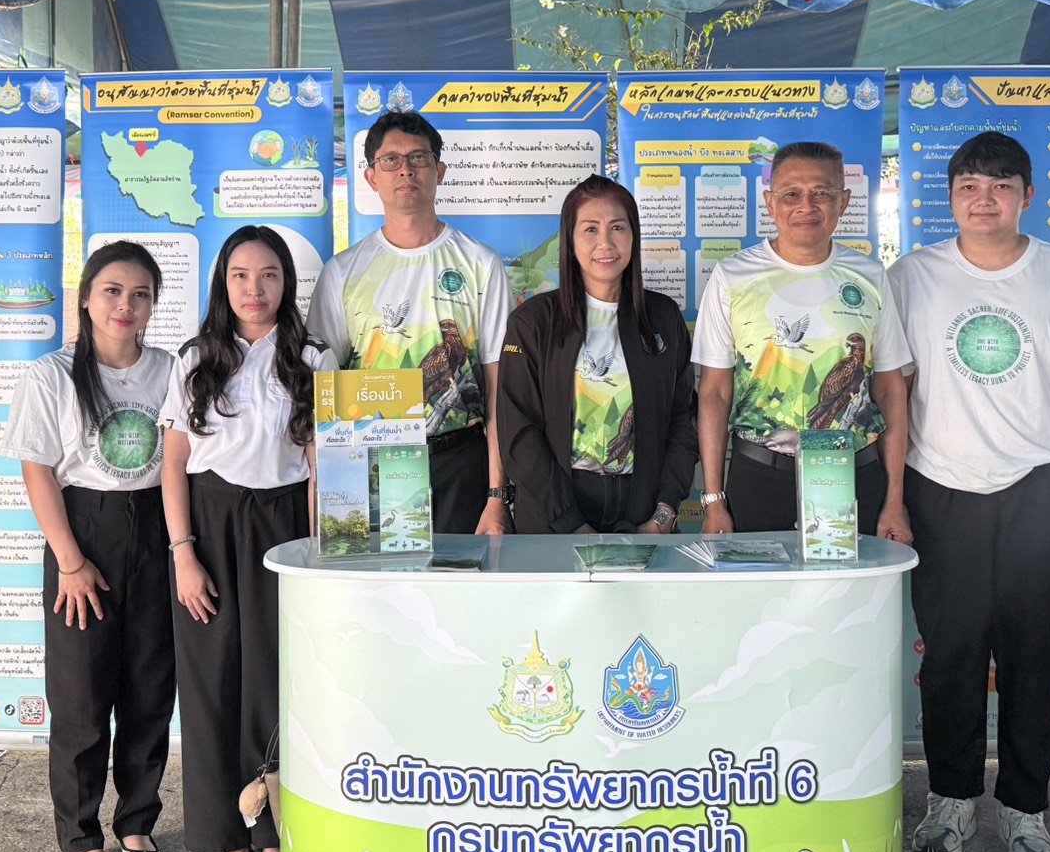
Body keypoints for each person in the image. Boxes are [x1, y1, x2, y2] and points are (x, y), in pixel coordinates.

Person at [887, 132, 1050, 852]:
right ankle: (950, 800)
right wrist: (893, 497)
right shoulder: (911, 276)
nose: (982, 199)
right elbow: (893, 395)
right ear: (949, 197)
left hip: (1042, 489)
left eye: (999, 186)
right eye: (968, 186)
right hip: (940, 488)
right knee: (949, 658)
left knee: (1033, 657)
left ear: (1028, 195)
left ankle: (1025, 807)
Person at [161, 226, 336, 852]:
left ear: (287, 283)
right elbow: (173, 463)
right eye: (240, 275)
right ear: (222, 282)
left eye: (268, 275)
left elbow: (320, 465)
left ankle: (271, 833)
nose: (253, 289)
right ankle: (224, 838)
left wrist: (319, 553)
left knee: (273, 676)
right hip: (207, 526)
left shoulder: (313, 358)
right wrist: (183, 554)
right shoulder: (195, 358)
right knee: (210, 681)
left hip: (285, 524)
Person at [2, 241, 174, 852]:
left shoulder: (170, 370)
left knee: (150, 689)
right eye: (112, 291)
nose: (126, 305)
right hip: (83, 532)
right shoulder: (50, 374)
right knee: (81, 697)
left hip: (156, 528)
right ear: (86, 298)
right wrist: (71, 562)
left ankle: (137, 828)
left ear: (153, 305)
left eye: (140, 295)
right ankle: (79, 839)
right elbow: (38, 471)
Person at [306, 110, 513, 535]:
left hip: (462, 463)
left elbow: (498, 388)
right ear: (370, 177)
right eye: (391, 160)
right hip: (371, 462)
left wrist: (497, 495)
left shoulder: (480, 264)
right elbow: (324, 389)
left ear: (440, 171)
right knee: (379, 579)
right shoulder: (343, 272)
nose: (406, 170)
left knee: (463, 575)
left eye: (419, 158)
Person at [691, 141, 912, 540]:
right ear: (770, 203)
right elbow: (715, 393)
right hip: (760, 478)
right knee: (760, 580)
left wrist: (895, 499)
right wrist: (714, 500)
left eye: (821, 193)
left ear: (844, 202)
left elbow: (890, 389)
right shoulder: (733, 278)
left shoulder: (870, 277)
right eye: (791, 194)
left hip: (852, 476)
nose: (806, 206)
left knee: (850, 582)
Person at [497, 175, 697, 533]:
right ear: (570, 241)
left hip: (644, 512)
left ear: (633, 236)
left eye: (617, 227)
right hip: (554, 518)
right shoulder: (533, 322)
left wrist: (663, 513)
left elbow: (683, 421)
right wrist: (570, 524)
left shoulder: (663, 317)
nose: (605, 242)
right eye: (590, 229)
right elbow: (519, 433)